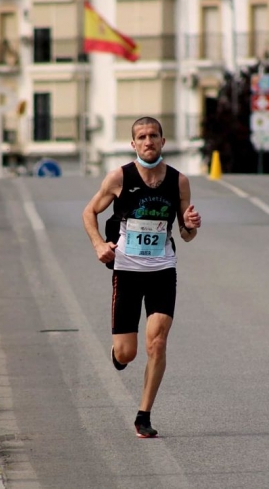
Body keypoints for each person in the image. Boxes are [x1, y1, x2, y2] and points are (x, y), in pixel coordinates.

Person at [82, 116, 201, 438]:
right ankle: (117, 354)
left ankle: (143, 415)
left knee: (158, 343)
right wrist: (98, 244)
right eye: (142, 137)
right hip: (127, 270)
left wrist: (191, 224)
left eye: (154, 136)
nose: (148, 141)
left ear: (163, 141)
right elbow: (89, 211)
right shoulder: (119, 177)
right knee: (127, 353)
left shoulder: (179, 182)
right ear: (134, 144)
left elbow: (185, 234)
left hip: (163, 269)